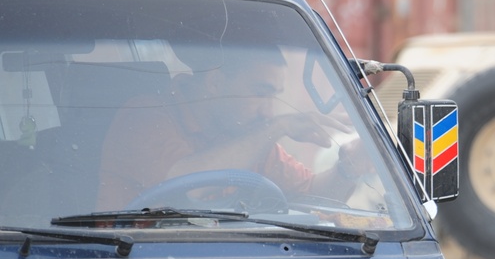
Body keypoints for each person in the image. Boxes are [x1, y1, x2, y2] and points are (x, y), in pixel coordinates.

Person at [97, 44, 368, 210]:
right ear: (215, 83)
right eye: (261, 93)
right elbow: (186, 188)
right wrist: (277, 127)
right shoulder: (144, 116)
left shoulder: (245, 134)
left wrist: (349, 167)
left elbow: (311, 197)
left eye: (274, 96)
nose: (268, 110)